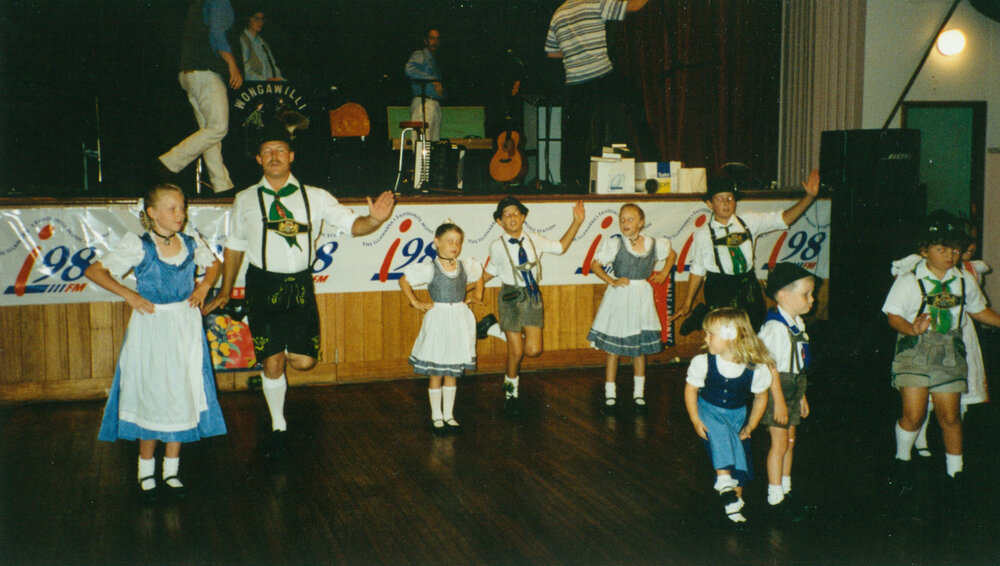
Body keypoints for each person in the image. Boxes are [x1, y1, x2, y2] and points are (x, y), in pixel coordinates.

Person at [203, 124, 395, 456]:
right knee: (273, 362)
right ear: (259, 160)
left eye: (280, 150)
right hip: (262, 285)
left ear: (291, 156)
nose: (274, 156)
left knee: (304, 361)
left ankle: (278, 358)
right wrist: (225, 289)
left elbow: (354, 225)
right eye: (267, 152)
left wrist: (375, 220)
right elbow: (235, 247)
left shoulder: (316, 197)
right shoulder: (245, 199)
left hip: (300, 287)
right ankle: (278, 423)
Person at [87, 183, 226, 501]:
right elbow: (95, 270)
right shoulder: (140, 245)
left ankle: (172, 470)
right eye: (172, 208)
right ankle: (145, 469)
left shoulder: (191, 243)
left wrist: (204, 287)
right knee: (151, 393)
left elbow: (214, 265)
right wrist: (130, 294)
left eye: (182, 207)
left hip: (184, 326)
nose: (180, 214)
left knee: (180, 392)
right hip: (151, 326)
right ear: (152, 213)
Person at [883, 216, 1000, 495]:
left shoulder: (964, 280)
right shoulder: (910, 280)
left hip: (950, 351)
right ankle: (902, 460)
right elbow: (893, 316)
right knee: (914, 414)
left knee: (950, 416)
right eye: (942, 249)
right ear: (924, 250)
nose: (951, 255)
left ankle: (955, 474)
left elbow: (978, 310)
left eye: (956, 250)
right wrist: (911, 328)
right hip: (915, 350)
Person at [672, 169, 820, 334]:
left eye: (730, 198)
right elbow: (697, 270)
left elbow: (785, 219)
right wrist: (687, 303)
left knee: (755, 332)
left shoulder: (749, 222)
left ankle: (703, 315)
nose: (726, 203)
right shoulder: (703, 235)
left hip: (747, 284)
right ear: (709, 204)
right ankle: (703, 314)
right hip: (720, 287)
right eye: (719, 199)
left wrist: (809, 197)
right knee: (727, 336)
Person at [481, 196, 585, 416]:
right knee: (516, 352)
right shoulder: (497, 246)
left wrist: (576, 222)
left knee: (534, 350)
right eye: (506, 215)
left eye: (516, 213)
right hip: (510, 296)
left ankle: (491, 328)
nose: (512, 217)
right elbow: (488, 272)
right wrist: (469, 289)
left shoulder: (534, 239)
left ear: (523, 216)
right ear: (499, 221)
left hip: (532, 296)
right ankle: (511, 395)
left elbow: (561, 247)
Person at [545, 0, 653, 192]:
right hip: (601, 74)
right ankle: (652, 161)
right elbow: (634, 6)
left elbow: (552, 53)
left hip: (576, 82)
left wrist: (574, 51)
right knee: (635, 104)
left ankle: (571, 186)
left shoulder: (558, 13)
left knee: (574, 137)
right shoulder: (594, 2)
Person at [684, 307, 773, 524]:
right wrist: (696, 419)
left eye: (710, 334)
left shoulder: (756, 368)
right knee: (720, 432)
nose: (705, 338)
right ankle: (723, 480)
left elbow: (761, 398)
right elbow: (691, 389)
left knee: (741, 457)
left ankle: (734, 505)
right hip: (709, 411)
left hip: (737, 416)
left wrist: (750, 426)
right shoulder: (703, 362)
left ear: (731, 336)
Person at [586, 203, 675, 415]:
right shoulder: (615, 243)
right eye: (622, 219)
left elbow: (672, 255)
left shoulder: (653, 243)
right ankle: (610, 393)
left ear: (641, 222)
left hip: (642, 297)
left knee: (639, 349)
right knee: (614, 349)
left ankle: (639, 394)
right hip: (620, 297)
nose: (625, 223)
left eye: (630, 219)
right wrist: (612, 280)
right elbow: (595, 265)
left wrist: (663, 273)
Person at [399, 223, 484, 432]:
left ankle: (449, 415)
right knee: (437, 369)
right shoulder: (430, 268)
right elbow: (403, 281)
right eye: (450, 241)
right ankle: (436, 415)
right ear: (437, 242)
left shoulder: (464, 266)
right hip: (439, 319)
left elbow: (479, 276)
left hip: (458, 319)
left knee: (452, 371)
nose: (454, 245)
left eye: (458, 242)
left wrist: (478, 295)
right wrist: (416, 302)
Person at [158, 0, 243, 194]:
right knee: (218, 128)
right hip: (206, 73)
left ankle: (222, 185)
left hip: (189, 74)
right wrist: (232, 64)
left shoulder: (199, 3)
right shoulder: (220, 2)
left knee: (209, 132)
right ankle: (170, 162)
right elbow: (217, 34)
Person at [758, 262, 818, 515]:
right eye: (806, 294)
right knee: (780, 443)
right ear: (783, 295)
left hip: (793, 386)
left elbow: (797, 365)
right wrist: (780, 401)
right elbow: (769, 367)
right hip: (777, 390)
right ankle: (774, 497)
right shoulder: (775, 328)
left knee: (790, 441)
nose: (812, 299)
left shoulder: (797, 323)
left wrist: (801, 395)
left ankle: (785, 488)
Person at [404, 28, 444, 141]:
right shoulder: (420, 55)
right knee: (422, 142)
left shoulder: (435, 61)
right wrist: (432, 80)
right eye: (432, 38)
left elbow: (438, 86)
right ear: (426, 40)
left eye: (437, 39)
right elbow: (409, 70)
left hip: (435, 104)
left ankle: (430, 159)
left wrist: (441, 92)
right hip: (423, 103)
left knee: (434, 143)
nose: (435, 41)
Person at [240, 8, 283, 81]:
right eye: (256, 19)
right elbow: (245, 70)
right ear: (248, 19)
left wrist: (279, 80)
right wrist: (265, 80)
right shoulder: (242, 40)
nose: (260, 22)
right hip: (251, 87)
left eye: (262, 19)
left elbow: (272, 66)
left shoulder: (263, 43)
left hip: (266, 86)